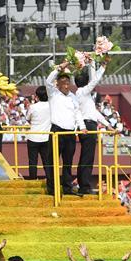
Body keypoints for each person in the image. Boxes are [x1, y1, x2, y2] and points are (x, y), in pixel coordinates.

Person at [44, 63, 85, 196]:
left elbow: (77, 112)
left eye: (68, 82)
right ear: (58, 84)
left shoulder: (73, 97)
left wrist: (82, 127)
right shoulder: (53, 94)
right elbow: (48, 81)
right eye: (63, 82)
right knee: (53, 160)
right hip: (57, 131)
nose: (66, 85)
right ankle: (52, 188)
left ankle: (67, 187)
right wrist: (59, 68)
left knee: (68, 162)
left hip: (70, 132)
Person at [74, 63, 107, 195]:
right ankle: (84, 186)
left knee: (86, 157)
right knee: (87, 158)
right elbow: (95, 80)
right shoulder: (82, 92)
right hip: (87, 126)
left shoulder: (83, 95)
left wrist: (108, 124)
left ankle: (84, 185)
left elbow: (94, 113)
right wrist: (103, 66)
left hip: (89, 125)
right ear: (86, 82)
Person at [26, 86, 52, 182]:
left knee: (33, 161)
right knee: (47, 161)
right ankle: (50, 179)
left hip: (33, 136)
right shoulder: (51, 106)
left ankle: (33, 179)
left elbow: (28, 118)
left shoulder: (33, 107)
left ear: (37, 96)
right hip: (46, 137)